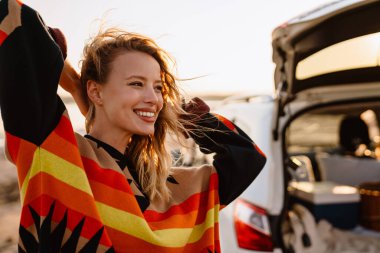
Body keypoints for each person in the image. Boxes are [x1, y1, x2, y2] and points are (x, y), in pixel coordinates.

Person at [0, 1, 266, 252]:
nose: (154, 98)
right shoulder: (54, 150)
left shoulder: (174, 188)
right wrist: (74, 84)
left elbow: (247, 158)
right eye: (136, 84)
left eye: (159, 88)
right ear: (95, 90)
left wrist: (181, 114)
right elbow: (13, 19)